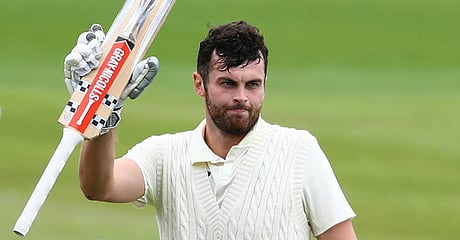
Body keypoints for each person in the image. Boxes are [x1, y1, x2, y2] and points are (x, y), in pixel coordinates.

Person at [64, 20, 357, 239]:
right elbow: (99, 186)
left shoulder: (299, 151)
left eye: (252, 84)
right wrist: (103, 111)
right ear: (199, 84)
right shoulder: (164, 156)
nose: (242, 96)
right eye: (228, 83)